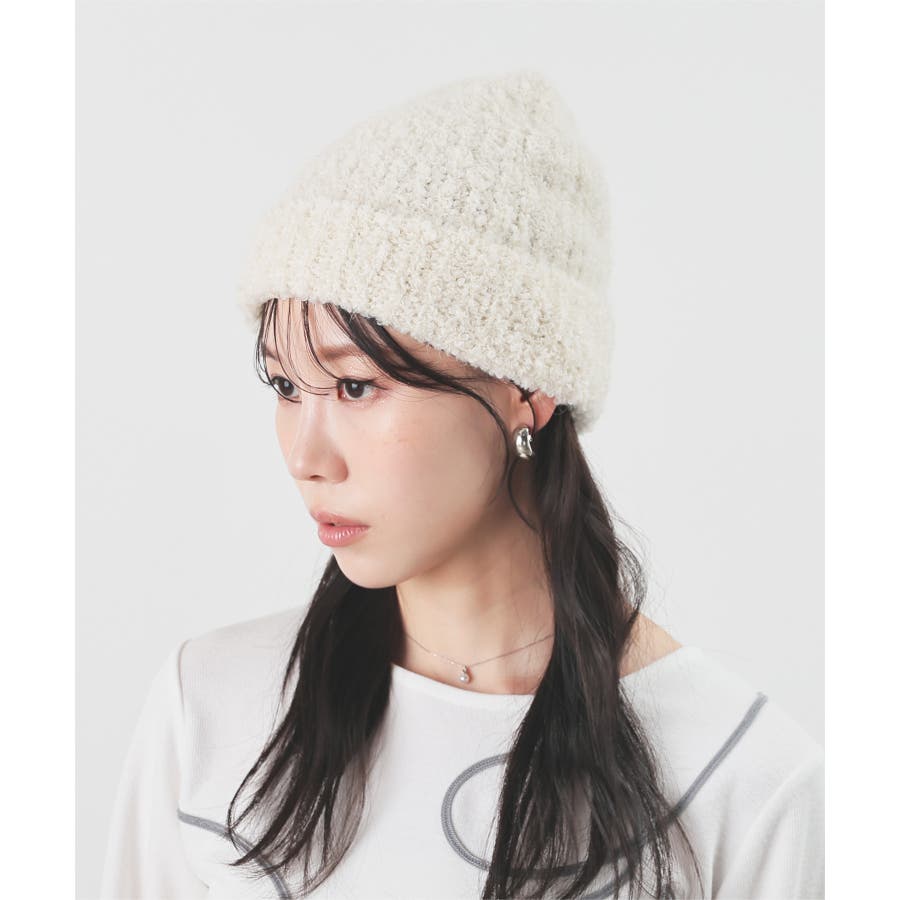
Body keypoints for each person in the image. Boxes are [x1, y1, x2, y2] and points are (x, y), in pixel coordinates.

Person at [99, 69, 824, 899]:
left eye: (356, 386)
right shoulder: (209, 708)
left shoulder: (746, 783)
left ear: (528, 387)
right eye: (286, 386)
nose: (306, 455)